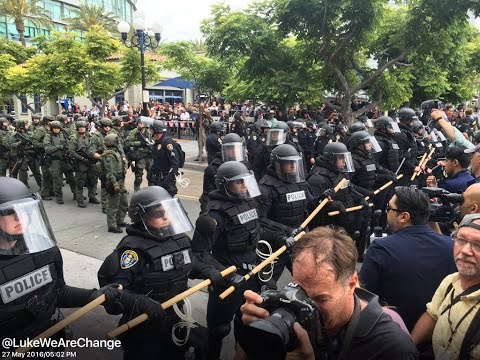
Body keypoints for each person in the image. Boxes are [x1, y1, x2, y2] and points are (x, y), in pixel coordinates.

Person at [239, 226, 419, 359]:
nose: (306, 305)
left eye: (321, 298)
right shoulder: (287, 316)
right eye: (298, 290)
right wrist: (252, 339)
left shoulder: (392, 349)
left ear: (351, 284)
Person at [98, 186, 220, 360]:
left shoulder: (179, 239)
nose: (166, 217)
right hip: (144, 325)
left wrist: (207, 270)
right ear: (141, 217)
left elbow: (187, 262)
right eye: (158, 213)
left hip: (177, 318)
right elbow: (111, 291)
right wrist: (138, 301)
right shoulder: (132, 252)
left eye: (169, 211)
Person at [0, 177, 121, 350]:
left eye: (25, 211)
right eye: (11, 212)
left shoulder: (43, 250)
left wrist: (94, 296)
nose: (21, 218)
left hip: (47, 340)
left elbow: (56, 292)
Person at [192, 161, 263, 359]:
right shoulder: (213, 215)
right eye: (238, 182)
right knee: (218, 330)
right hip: (228, 283)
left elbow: (257, 234)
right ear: (224, 185)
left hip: (252, 275)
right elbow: (198, 253)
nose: (244, 185)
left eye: (245, 181)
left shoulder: (249, 201)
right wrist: (227, 274)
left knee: (249, 326)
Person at [359, 186, 457, 331]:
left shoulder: (381, 249)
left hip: (393, 334)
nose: (386, 212)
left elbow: (364, 299)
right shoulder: (452, 246)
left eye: (389, 208)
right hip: (440, 334)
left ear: (404, 216)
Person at [411, 214, 480, 359]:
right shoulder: (450, 281)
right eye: (461, 240)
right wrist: (408, 349)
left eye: (478, 245)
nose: (465, 251)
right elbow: (432, 315)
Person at [258, 144, 314, 282]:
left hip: (298, 241)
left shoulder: (301, 182)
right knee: (266, 284)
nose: (293, 166)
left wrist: (323, 199)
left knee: (307, 280)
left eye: (294, 162)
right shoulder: (266, 187)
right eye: (288, 163)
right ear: (277, 164)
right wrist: (286, 231)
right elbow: (260, 219)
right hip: (276, 243)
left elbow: (311, 205)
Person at [199, 132, 250, 211]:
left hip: (241, 204)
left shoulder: (245, 165)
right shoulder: (213, 168)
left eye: (237, 149)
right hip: (222, 207)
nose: (234, 152)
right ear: (224, 149)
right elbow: (208, 195)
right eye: (231, 149)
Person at [43, 120, 76, 204]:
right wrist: (59, 147)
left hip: (65, 159)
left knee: (71, 178)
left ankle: (76, 194)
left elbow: (69, 145)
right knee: (57, 180)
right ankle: (59, 197)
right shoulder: (48, 137)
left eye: (58, 128)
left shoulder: (63, 135)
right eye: (54, 128)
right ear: (51, 128)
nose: (56, 130)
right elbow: (47, 149)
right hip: (55, 161)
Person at [68, 119, 100, 208]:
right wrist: (82, 158)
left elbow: (96, 146)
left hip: (91, 161)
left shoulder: (91, 136)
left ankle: (92, 197)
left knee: (93, 180)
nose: (82, 129)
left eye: (83, 127)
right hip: (81, 162)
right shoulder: (74, 138)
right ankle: (80, 200)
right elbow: (72, 152)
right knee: (80, 182)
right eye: (80, 127)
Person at [101, 134, 128, 233]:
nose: (118, 143)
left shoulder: (116, 152)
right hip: (114, 182)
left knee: (123, 202)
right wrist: (115, 183)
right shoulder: (109, 156)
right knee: (113, 205)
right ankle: (112, 226)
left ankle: (119, 220)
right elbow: (109, 172)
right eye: (116, 141)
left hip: (120, 181)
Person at [149, 120, 179, 197]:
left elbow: (175, 163)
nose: (151, 132)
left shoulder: (167, 142)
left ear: (157, 130)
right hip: (158, 178)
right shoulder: (157, 142)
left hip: (166, 179)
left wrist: (168, 178)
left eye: (152, 130)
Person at [125, 119, 153, 192]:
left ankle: (152, 193)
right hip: (140, 156)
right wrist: (140, 143)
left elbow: (154, 140)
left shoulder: (149, 131)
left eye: (142, 123)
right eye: (139, 123)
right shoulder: (135, 131)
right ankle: (136, 193)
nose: (140, 124)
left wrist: (151, 143)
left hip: (150, 156)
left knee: (151, 177)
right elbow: (128, 143)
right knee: (138, 177)